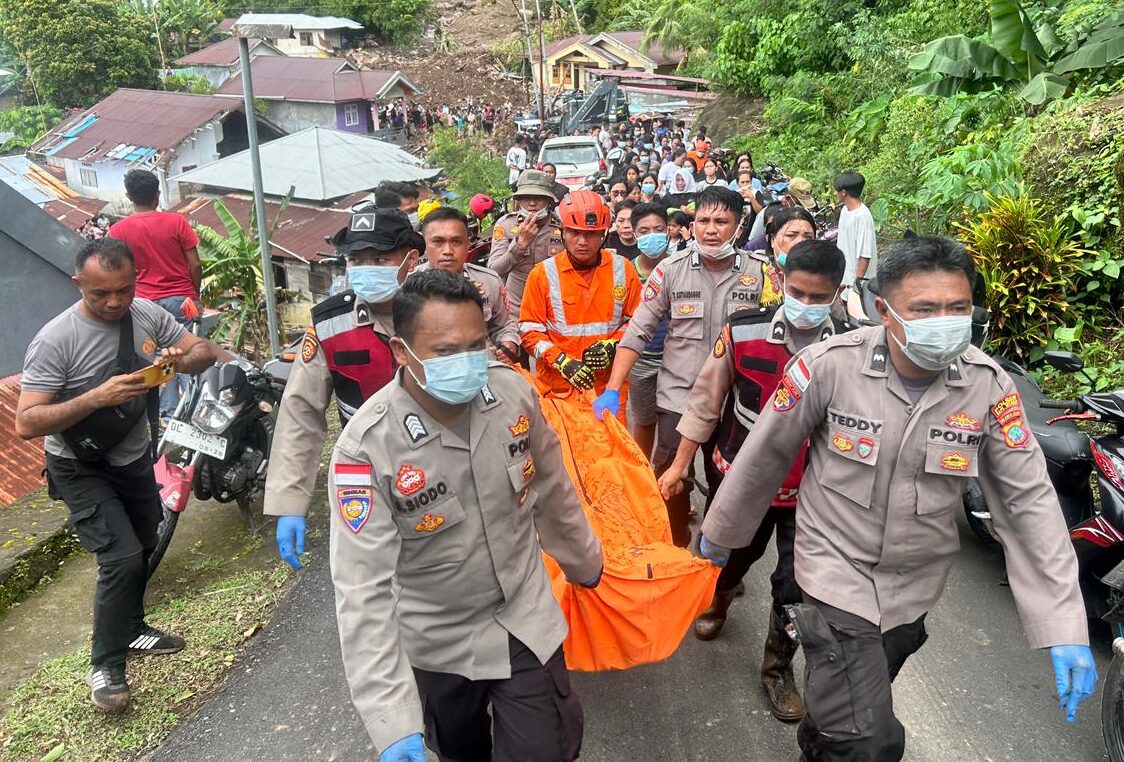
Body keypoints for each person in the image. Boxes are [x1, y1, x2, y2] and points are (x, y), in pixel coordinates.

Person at [701, 235, 1097, 760]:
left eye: (957, 307)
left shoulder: (987, 385)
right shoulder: (829, 366)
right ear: (884, 310)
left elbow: (1028, 503)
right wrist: (720, 538)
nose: (944, 321)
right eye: (925, 308)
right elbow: (763, 457)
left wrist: (1064, 622)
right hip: (834, 578)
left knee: (841, 718)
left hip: (913, 590)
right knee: (871, 740)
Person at [329, 270, 603, 762]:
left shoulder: (512, 396)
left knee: (547, 749)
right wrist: (390, 718)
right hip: (439, 645)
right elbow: (361, 588)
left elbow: (551, 486)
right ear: (401, 352)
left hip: (524, 622)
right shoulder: (367, 449)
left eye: (476, 346)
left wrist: (585, 563)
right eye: (446, 352)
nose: (467, 363)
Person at [15, 238, 217, 712]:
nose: (114, 302)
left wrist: (178, 361)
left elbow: (205, 350)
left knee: (147, 541)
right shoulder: (55, 339)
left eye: (123, 290)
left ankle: (133, 628)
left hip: (131, 458)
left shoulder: (146, 315)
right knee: (122, 557)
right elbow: (26, 422)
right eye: (99, 294)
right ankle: (106, 666)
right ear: (77, 285)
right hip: (78, 464)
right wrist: (96, 397)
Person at [658, 240, 846, 721]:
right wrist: (679, 465)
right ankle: (719, 598)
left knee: (794, 585)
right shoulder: (744, 329)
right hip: (741, 477)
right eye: (797, 291)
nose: (805, 305)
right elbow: (705, 401)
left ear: (838, 293)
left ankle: (777, 667)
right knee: (728, 556)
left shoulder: (850, 344)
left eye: (818, 297)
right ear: (780, 281)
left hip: (813, 491)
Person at [593, 187, 780, 546]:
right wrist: (614, 388)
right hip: (678, 397)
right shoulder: (670, 271)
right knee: (670, 476)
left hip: (735, 404)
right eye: (703, 221)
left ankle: (713, 554)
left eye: (721, 221)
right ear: (692, 226)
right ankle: (675, 544)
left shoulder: (761, 275)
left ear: (739, 227)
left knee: (726, 480)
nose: (711, 230)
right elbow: (638, 332)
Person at [265, 209, 423, 570]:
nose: (365, 268)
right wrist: (290, 501)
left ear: (410, 259)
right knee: (368, 580)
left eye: (380, 258)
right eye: (356, 259)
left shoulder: (440, 310)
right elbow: (301, 413)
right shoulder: (329, 323)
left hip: (439, 461)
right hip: (364, 471)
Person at [519, 190, 641, 423]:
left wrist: (612, 345)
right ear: (562, 232)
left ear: (603, 235)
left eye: (591, 234)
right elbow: (529, 331)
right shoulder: (542, 275)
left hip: (609, 388)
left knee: (614, 456)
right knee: (564, 456)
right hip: (559, 390)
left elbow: (636, 322)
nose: (582, 242)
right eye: (575, 232)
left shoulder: (622, 269)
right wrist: (561, 361)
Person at [108, 168, 202, 417]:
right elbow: (195, 264)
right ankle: (193, 411)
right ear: (157, 195)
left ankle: (168, 414)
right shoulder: (176, 221)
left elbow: (116, 271)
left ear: (130, 197)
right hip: (181, 300)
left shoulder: (118, 231)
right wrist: (195, 294)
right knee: (188, 351)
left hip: (143, 304)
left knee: (156, 356)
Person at [416, 206, 520, 363]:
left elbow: (504, 325)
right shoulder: (408, 286)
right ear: (424, 245)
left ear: (467, 243)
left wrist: (508, 344)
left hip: (483, 368)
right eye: (438, 242)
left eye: (456, 241)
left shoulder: (488, 281)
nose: (448, 250)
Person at [626, 203, 672, 458]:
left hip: (676, 361)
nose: (652, 235)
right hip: (641, 361)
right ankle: (642, 474)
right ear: (634, 235)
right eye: (644, 230)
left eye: (658, 229)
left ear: (668, 232)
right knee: (644, 422)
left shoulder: (680, 266)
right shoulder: (626, 272)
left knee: (674, 422)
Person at [487, 170, 564, 317]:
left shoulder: (562, 226)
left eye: (538, 198)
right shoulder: (506, 225)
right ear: (518, 199)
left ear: (548, 200)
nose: (532, 203)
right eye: (526, 198)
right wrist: (519, 246)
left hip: (555, 307)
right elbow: (494, 271)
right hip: (516, 310)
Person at [835, 171, 877, 287]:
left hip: (858, 283)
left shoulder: (862, 216)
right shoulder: (845, 211)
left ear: (844, 192)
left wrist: (857, 284)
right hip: (845, 279)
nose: (836, 193)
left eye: (837, 191)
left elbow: (865, 253)